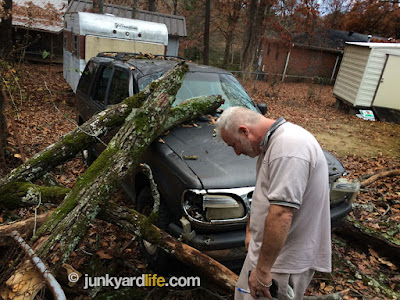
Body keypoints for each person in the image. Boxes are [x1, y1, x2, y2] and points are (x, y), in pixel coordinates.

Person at [215, 107, 331, 300]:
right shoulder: (272, 144)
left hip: (281, 263)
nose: (236, 152)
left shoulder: (289, 148)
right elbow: (266, 194)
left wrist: (262, 271)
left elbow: (282, 214)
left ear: (245, 131)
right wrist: (251, 228)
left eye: (233, 145)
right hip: (264, 256)